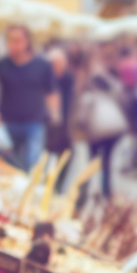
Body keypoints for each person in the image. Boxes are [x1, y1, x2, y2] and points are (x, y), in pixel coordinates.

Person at [0, 24, 57, 170]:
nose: (13, 44)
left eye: (17, 40)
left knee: (32, 164)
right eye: (10, 40)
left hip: (34, 123)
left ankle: (30, 192)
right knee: (7, 164)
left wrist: (55, 119)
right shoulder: (1, 65)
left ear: (26, 41)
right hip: (7, 122)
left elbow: (51, 93)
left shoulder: (42, 65)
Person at [74, 51, 128, 198]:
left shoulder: (88, 84)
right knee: (106, 162)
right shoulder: (108, 81)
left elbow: (81, 113)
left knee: (92, 161)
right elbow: (120, 94)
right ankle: (105, 190)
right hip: (112, 128)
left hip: (95, 130)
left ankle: (88, 190)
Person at [45, 47, 78, 189]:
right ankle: (48, 185)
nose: (56, 67)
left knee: (66, 156)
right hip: (48, 125)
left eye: (59, 64)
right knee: (47, 157)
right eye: (53, 64)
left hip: (65, 126)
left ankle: (57, 185)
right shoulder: (45, 80)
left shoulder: (69, 79)